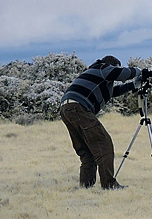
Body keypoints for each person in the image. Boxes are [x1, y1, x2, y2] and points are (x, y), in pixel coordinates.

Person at [59, 56, 143, 190]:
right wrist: (138, 71)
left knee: (86, 150)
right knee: (103, 144)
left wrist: (134, 84)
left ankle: (86, 186)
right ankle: (109, 184)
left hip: (67, 108)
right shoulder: (102, 68)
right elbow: (119, 74)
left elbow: (112, 92)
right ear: (112, 65)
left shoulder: (95, 75)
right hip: (78, 107)